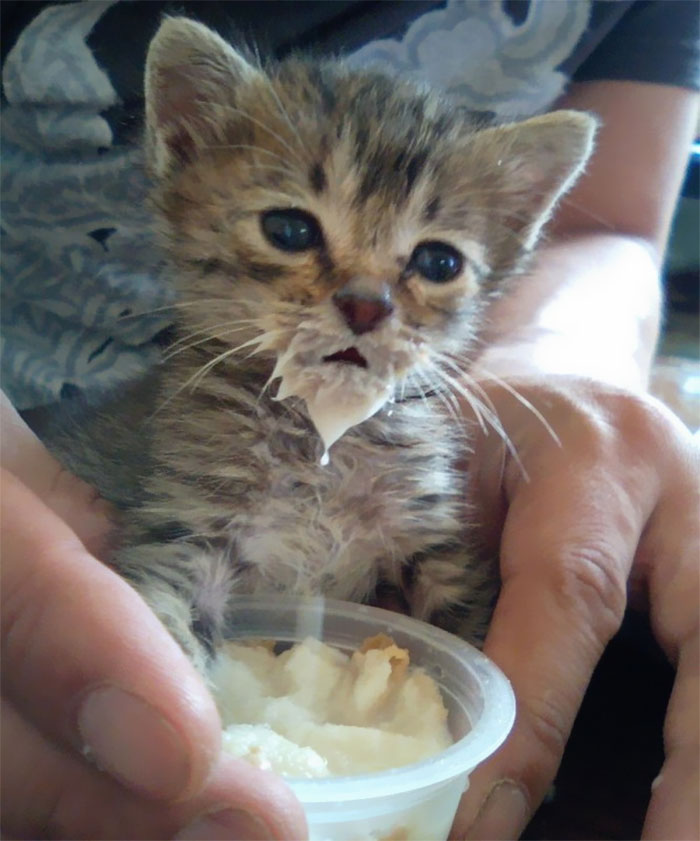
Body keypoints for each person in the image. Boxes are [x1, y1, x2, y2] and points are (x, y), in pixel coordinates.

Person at [1, 2, 698, 839]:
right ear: (184, 153)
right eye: (294, 229)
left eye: (433, 263)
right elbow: (175, 585)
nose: (366, 300)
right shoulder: (206, 415)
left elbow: (612, 228)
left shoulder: (422, 431)